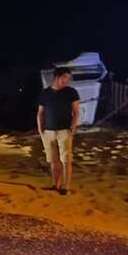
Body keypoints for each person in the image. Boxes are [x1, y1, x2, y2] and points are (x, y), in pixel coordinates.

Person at [37, 67, 80, 196]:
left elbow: (76, 111)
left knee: (66, 160)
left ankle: (66, 188)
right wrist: (40, 128)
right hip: (48, 131)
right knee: (53, 160)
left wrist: (73, 126)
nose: (67, 81)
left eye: (69, 78)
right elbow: (40, 112)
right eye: (65, 77)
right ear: (57, 77)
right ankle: (56, 185)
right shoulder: (45, 93)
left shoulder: (71, 92)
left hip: (64, 130)